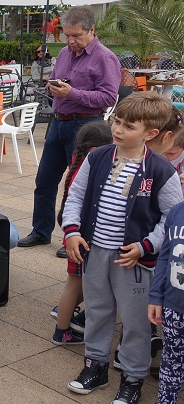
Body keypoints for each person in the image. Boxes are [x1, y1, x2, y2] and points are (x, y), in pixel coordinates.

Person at [63, 92, 184, 403]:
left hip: (134, 262)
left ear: (151, 133)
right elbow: (76, 196)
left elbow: (173, 219)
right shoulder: (97, 158)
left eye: (129, 126)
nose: (117, 129)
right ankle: (95, 366)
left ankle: (132, 378)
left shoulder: (161, 170)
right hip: (94, 252)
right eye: (116, 121)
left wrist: (146, 246)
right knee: (97, 312)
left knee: (135, 322)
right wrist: (72, 231)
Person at [17, 6, 121, 251]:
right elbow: (57, 80)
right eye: (67, 35)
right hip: (58, 123)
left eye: (76, 35)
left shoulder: (105, 58)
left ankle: (75, 237)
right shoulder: (64, 53)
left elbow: (108, 98)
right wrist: (53, 87)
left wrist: (72, 92)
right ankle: (41, 231)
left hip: (86, 125)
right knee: (44, 181)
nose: (71, 41)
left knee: (79, 185)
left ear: (91, 30)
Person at [50, 120, 112, 345]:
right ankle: (62, 331)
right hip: (81, 239)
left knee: (80, 283)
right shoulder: (91, 170)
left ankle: (64, 313)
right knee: (75, 284)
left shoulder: (79, 163)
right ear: (95, 150)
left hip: (76, 236)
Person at [149, 200, 184, 404]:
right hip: (173, 307)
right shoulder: (176, 211)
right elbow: (164, 257)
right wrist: (156, 295)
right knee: (171, 361)